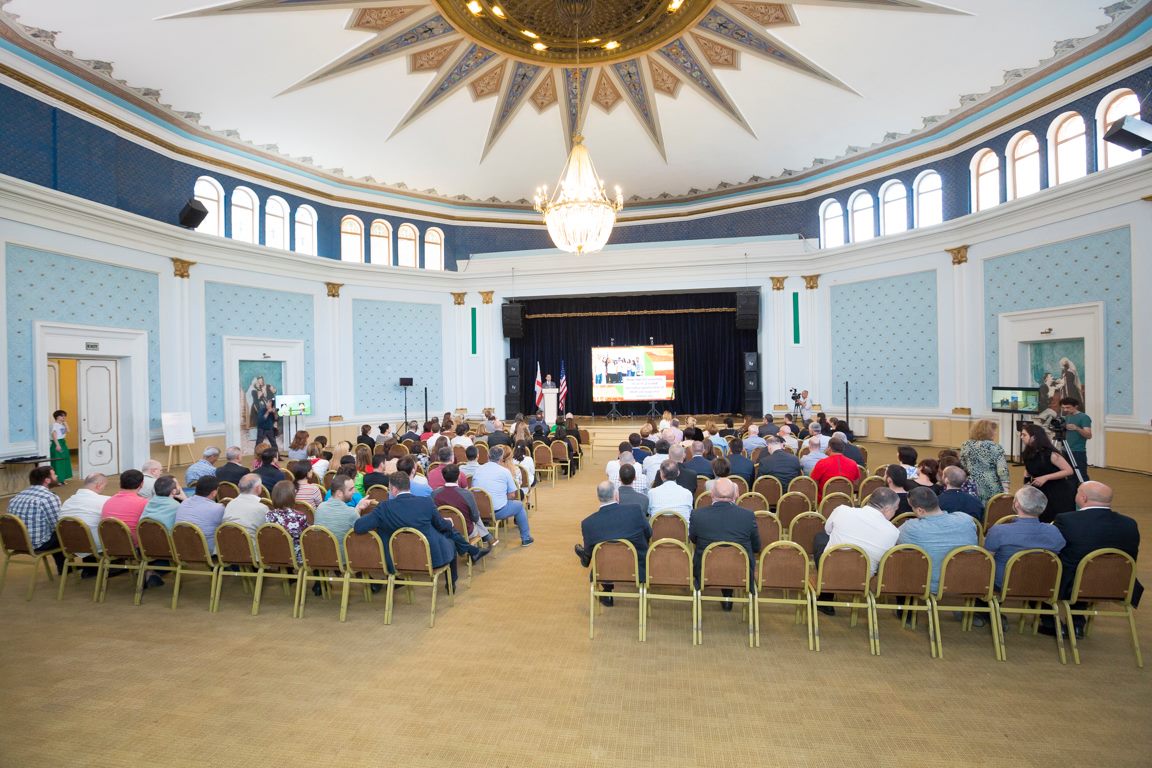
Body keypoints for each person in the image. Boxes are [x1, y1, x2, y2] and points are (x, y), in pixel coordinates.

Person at [353, 472, 485, 586]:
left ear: (393, 489)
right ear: (408, 486)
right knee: (449, 538)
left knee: (445, 532)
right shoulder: (425, 502)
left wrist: (358, 508)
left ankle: (470, 551)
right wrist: (449, 523)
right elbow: (441, 526)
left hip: (397, 560)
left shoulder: (383, 508)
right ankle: (452, 581)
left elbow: (359, 527)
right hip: (430, 558)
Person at [1053, 481, 1142, 605]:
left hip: (1076, 584)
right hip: (1120, 584)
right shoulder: (1129, 523)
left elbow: (1052, 546)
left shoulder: (1067, 520)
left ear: (1083, 498)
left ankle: (1046, 615)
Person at [573, 481, 651, 606]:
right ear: (616, 495)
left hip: (605, 571)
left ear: (598, 497)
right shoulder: (635, 510)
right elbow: (649, 533)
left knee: (602, 553)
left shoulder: (588, 523)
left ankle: (606, 591)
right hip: (637, 568)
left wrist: (586, 557)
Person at [812, 487, 900, 592]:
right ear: (887, 509)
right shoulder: (893, 532)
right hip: (863, 579)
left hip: (831, 568)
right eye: (895, 509)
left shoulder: (842, 510)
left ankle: (825, 588)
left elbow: (828, 531)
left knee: (821, 537)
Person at [688, 478, 760, 606]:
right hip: (741, 571)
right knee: (732, 557)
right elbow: (756, 547)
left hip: (705, 570)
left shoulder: (697, 515)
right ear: (735, 495)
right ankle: (728, 596)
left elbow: (693, 539)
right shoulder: (748, 516)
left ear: (711, 494)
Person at [895, 487, 978, 593]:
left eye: (912, 508)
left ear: (920, 510)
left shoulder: (911, 528)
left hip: (926, 585)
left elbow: (895, 544)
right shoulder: (966, 520)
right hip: (965, 582)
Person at [983, 485, 1066, 590]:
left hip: (1005, 585)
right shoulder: (1054, 531)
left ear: (1017, 504)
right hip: (1042, 585)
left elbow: (986, 560)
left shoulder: (999, 531)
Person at [471, 446, 533, 545]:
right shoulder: (505, 472)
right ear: (501, 458)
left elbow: (475, 491)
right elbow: (512, 495)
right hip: (497, 511)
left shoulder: (478, 470)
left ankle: (484, 533)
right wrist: (501, 497)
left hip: (479, 510)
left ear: (488, 456)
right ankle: (526, 538)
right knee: (519, 505)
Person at [8, 466, 65, 573]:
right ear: (47, 480)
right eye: (54, 474)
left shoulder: (17, 496)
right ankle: (86, 568)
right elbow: (57, 525)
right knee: (70, 532)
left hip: (15, 542)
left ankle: (65, 568)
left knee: (54, 533)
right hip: (37, 544)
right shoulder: (49, 497)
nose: (57, 476)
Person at [1019, 423, 1076, 523]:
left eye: (1024, 435)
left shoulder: (1051, 454)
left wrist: (1046, 477)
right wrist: (1026, 484)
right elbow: (1028, 470)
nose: (1021, 437)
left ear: (1034, 437)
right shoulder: (1027, 453)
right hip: (1039, 490)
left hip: (1057, 491)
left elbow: (1069, 471)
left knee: (1056, 519)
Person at [431, 463, 492, 545]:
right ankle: (486, 536)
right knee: (476, 519)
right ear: (459, 476)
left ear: (442, 477)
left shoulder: (434, 494)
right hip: (466, 531)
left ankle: (486, 536)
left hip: (443, 530)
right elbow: (475, 517)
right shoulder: (467, 494)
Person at [311, 477, 367, 562]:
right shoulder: (351, 513)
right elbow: (362, 537)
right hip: (345, 560)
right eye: (351, 489)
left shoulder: (320, 507)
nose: (354, 491)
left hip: (322, 557)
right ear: (339, 493)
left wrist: (358, 508)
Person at [959, 419, 1010, 505]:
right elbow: (1002, 470)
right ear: (988, 432)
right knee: (991, 509)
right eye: (993, 431)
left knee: (974, 507)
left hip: (972, 485)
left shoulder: (966, 445)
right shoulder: (995, 447)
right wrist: (1006, 490)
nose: (995, 433)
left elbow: (963, 464)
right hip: (991, 486)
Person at [59, 472, 110, 550]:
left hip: (69, 544)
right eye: (105, 486)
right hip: (94, 545)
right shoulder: (105, 500)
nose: (104, 489)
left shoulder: (67, 501)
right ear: (98, 485)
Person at [176, 476, 226, 553]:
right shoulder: (218, 508)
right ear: (214, 493)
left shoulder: (184, 502)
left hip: (183, 549)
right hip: (206, 551)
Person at [265, 481, 311, 561]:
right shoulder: (299, 516)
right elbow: (306, 537)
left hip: (275, 554)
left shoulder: (268, 515)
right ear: (292, 496)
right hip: (296, 556)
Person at [101, 469, 149, 541]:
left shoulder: (108, 501)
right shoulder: (144, 503)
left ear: (120, 483)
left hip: (110, 543)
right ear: (142, 484)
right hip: (133, 544)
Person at [1059, 397, 1091, 481]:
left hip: (1078, 451)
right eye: (1063, 407)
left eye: (1068, 407)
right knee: (1069, 474)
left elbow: (1089, 435)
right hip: (1066, 450)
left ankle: (1087, 488)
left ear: (1076, 406)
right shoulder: (1067, 417)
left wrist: (1077, 428)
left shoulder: (1084, 417)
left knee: (1081, 475)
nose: (1065, 410)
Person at [49, 409, 73, 484]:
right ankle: (58, 480)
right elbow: (54, 435)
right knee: (58, 462)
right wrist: (57, 445)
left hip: (63, 442)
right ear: (57, 417)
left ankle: (63, 479)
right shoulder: (54, 425)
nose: (64, 417)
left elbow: (68, 431)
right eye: (62, 416)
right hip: (57, 443)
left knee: (64, 460)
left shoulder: (62, 425)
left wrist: (65, 423)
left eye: (64, 416)